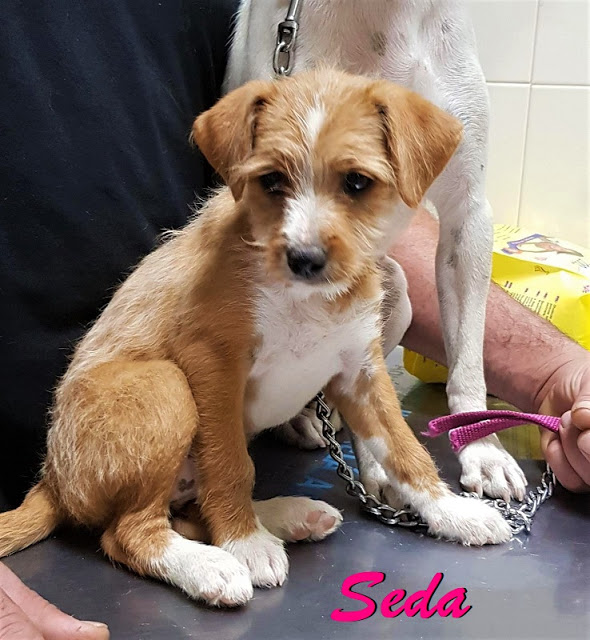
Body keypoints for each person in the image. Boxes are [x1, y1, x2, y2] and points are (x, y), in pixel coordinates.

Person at [0, 0, 588, 637]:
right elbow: (208, 363)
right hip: (106, 438)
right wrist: (234, 518)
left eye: (355, 185)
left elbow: (366, 380)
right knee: (166, 392)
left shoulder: (352, 252)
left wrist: (548, 376)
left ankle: (196, 517)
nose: (306, 236)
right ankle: (146, 535)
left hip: (204, 453)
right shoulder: (241, 257)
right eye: (273, 184)